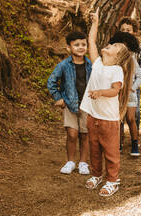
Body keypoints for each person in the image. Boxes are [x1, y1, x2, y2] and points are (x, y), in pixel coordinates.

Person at [81, 8, 135, 197]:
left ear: (117, 56)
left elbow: (115, 90)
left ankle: (113, 180)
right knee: (94, 149)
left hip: (108, 119)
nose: (109, 45)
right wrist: (95, 23)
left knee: (110, 152)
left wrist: (100, 92)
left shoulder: (116, 70)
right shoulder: (97, 64)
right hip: (93, 116)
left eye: (114, 47)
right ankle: (96, 175)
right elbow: (91, 42)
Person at [47, 31, 92, 175]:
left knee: (85, 134)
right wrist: (58, 98)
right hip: (70, 104)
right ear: (69, 48)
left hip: (87, 104)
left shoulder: (90, 64)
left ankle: (83, 163)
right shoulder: (63, 65)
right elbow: (51, 82)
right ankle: (70, 161)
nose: (80, 47)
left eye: (83, 44)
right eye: (76, 45)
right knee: (72, 134)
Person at [118, 17, 141, 155]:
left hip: (132, 89)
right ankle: (119, 141)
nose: (125, 32)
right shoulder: (115, 49)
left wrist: (133, 86)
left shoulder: (137, 51)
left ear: (134, 31)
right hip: (118, 90)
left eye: (128, 30)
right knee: (118, 117)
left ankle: (136, 140)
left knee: (134, 115)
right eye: (122, 30)